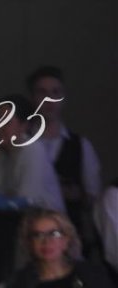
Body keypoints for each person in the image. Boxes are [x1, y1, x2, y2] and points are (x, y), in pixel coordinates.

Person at [26, 66, 102, 246]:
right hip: (28, 236)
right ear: (33, 98)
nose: (49, 99)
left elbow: (94, 197)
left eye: (55, 92)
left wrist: (76, 195)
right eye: (42, 92)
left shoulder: (81, 146)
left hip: (69, 238)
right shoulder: (21, 144)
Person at [0, 94, 65, 212]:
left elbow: (25, 202)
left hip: (47, 218)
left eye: (6, 122)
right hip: (14, 218)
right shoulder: (0, 154)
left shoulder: (33, 150)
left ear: (24, 126)